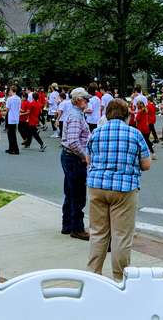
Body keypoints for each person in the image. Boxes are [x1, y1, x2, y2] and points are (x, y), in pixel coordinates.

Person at [85, 98, 151, 282]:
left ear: (107, 115)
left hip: (97, 186)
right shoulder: (135, 134)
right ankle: (119, 278)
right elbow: (146, 164)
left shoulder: (96, 133)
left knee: (98, 232)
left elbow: (88, 160)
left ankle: (93, 274)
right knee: (121, 235)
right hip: (124, 188)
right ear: (127, 115)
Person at [60, 87, 92, 240]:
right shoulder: (75, 116)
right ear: (79, 100)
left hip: (69, 157)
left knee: (70, 191)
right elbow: (73, 142)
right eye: (86, 99)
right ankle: (77, 228)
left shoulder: (75, 114)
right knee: (78, 194)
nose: (88, 101)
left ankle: (67, 224)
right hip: (74, 158)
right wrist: (84, 156)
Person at [4, 85, 22, 155]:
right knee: (12, 133)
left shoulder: (9, 99)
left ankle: (15, 149)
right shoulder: (19, 98)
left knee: (11, 134)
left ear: (11, 90)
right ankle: (11, 148)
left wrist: (5, 114)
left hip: (10, 117)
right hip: (16, 117)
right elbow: (19, 108)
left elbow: (7, 109)